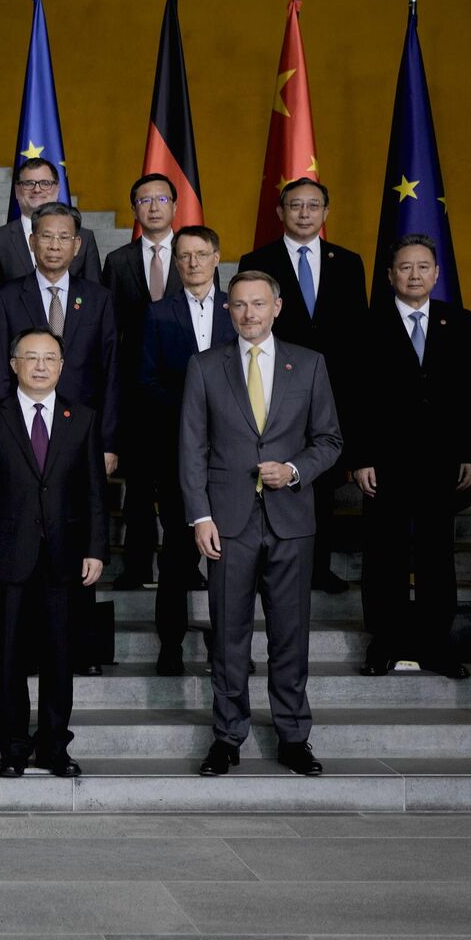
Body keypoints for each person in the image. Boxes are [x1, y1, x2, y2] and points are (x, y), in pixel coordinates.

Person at [180, 270, 342, 778]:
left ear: (277, 307)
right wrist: (199, 515)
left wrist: (294, 470)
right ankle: (228, 737)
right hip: (227, 523)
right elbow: (192, 447)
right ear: (228, 310)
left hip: (291, 522)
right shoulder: (205, 366)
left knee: (290, 635)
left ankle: (294, 736)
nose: (249, 314)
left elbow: (329, 441)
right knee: (228, 636)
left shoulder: (310, 365)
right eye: (239, 305)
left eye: (259, 304)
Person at [0, 327, 107, 778]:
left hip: (65, 558)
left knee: (60, 658)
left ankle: (53, 746)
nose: (41, 366)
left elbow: (94, 493)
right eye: (31, 357)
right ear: (14, 365)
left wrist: (96, 549)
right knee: (8, 657)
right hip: (8, 557)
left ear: (61, 366)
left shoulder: (81, 418)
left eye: (50, 358)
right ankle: (12, 746)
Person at [352, 234, 471, 678]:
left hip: (440, 461)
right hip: (384, 461)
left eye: (423, 267)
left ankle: (435, 643)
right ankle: (385, 642)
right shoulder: (367, 322)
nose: (414, 275)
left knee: (435, 555)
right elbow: (355, 398)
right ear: (390, 275)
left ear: (436, 273)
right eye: (405, 267)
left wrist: (470, 451)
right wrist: (361, 456)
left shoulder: (458, 321)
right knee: (384, 554)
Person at [238, 178, 365, 593]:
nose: (305, 213)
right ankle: (264, 567)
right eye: (296, 206)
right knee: (268, 478)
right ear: (281, 212)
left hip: (332, 390)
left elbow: (355, 338)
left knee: (321, 482)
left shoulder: (348, 262)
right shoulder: (257, 259)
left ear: (326, 213)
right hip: (273, 389)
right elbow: (249, 327)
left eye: (313, 206)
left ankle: (318, 567)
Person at [137, 225, 230, 676]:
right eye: (184, 256)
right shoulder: (158, 313)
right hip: (179, 451)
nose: (192, 263)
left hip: (235, 456)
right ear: (176, 263)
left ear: (216, 257)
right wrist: (195, 411)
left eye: (200, 254)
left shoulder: (241, 309)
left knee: (230, 559)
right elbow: (147, 380)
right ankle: (170, 644)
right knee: (176, 552)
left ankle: (227, 647)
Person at [0, 203, 119, 460]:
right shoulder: (6, 297)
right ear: (32, 241)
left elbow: (110, 373)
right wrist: (1, 436)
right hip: (22, 428)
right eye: (46, 236)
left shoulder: (98, 299)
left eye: (64, 237)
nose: (55, 245)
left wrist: (108, 442)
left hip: (83, 429)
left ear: (77, 245)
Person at [106, 173, 180, 590]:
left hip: (184, 393)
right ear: (135, 209)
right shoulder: (118, 262)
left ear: (174, 206)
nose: (153, 206)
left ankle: (182, 565)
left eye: (161, 198)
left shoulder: (193, 254)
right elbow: (111, 329)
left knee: (180, 488)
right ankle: (135, 566)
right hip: (135, 392)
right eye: (144, 200)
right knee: (137, 490)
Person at [0, 158, 99, 349]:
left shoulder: (84, 237)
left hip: (77, 355)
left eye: (45, 183)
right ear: (16, 190)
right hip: (16, 356)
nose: (37, 189)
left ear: (57, 189)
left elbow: (95, 301)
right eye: (28, 183)